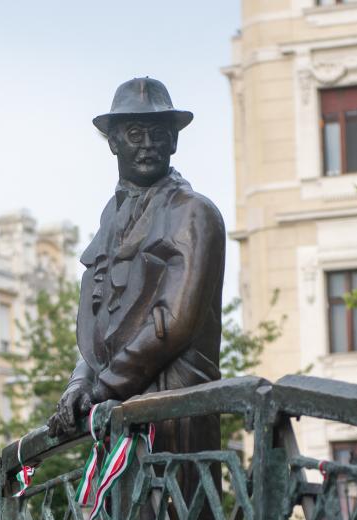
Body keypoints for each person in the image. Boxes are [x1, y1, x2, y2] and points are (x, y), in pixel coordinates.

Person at [47, 76, 226, 455]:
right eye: (134, 133)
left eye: (158, 134)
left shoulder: (194, 213)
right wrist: (77, 385)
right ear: (112, 141)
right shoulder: (110, 219)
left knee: (179, 515)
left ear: (174, 141)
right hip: (116, 422)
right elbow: (97, 327)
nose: (148, 145)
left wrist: (101, 390)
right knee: (119, 514)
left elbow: (172, 324)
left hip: (175, 415)